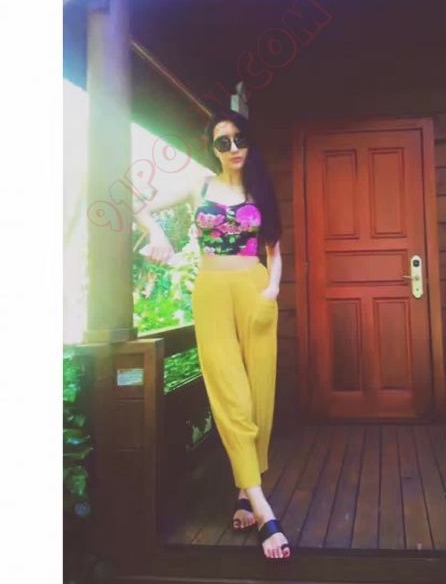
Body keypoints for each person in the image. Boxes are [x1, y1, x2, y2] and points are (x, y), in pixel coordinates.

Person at [134, 110, 290, 560]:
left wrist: (272, 290)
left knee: (258, 396)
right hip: (211, 293)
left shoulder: (260, 190)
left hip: (255, 291)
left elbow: (274, 250)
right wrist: (155, 233)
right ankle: (262, 507)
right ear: (213, 149)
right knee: (231, 396)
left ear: (249, 141)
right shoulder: (198, 186)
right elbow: (136, 201)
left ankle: (244, 490)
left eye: (239, 139)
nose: (233, 148)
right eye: (223, 142)